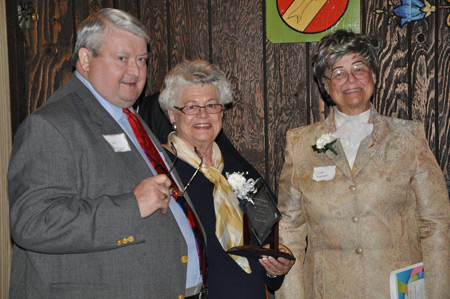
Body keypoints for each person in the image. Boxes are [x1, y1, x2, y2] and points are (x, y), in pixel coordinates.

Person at [8, 8, 207, 298]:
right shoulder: (51, 125)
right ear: (86, 59)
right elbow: (33, 223)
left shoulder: (126, 116)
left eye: (141, 60)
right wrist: (131, 206)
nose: (136, 71)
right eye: (122, 58)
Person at [276, 29, 450, 298]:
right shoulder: (300, 144)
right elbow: (290, 232)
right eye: (338, 72)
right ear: (325, 85)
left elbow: (436, 225)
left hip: (397, 291)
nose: (351, 79)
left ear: (374, 76)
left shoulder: (409, 138)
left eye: (359, 68)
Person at [157, 59, 293, 298]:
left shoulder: (240, 170)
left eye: (211, 105)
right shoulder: (160, 172)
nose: (203, 115)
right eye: (190, 107)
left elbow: (266, 243)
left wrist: (275, 269)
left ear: (222, 111)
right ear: (172, 115)